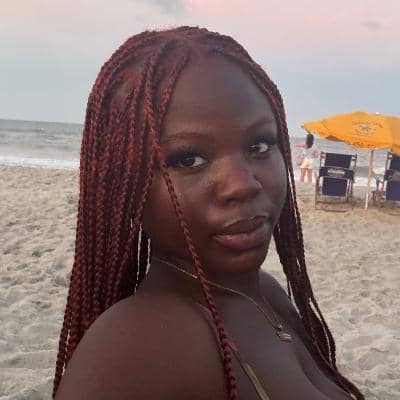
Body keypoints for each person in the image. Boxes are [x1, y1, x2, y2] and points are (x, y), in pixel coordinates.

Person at [53, 27, 364, 400]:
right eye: (189, 159)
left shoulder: (266, 293)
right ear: (124, 182)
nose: (242, 185)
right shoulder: (140, 346)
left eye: (259, 145)